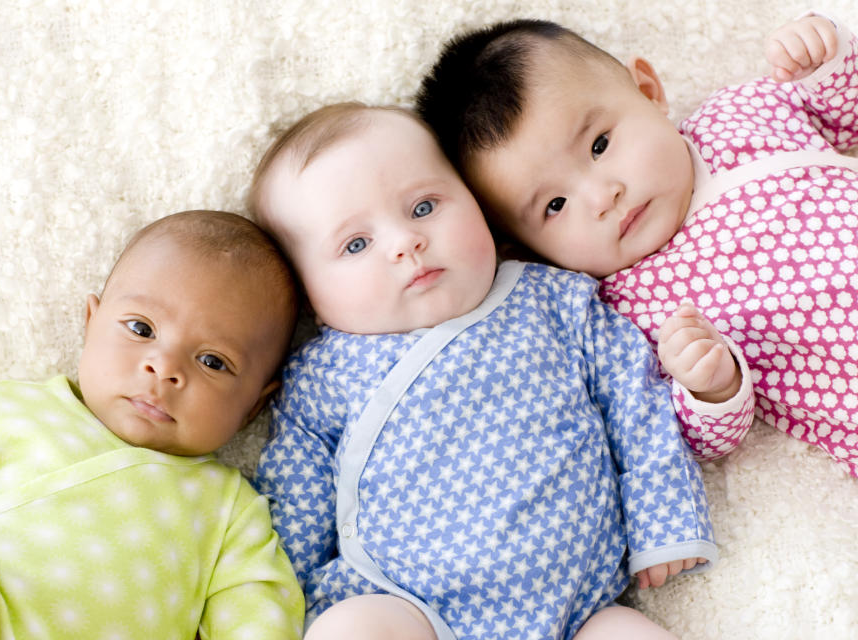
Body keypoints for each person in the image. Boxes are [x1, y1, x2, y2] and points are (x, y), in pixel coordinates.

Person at [247, 102, 724, 640]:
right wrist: (275, 594)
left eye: (424, 206)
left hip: (582, 606)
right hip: (407, 604)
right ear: (310, 294)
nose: (406, 243)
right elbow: (294, 488)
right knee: (348, 629)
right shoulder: (323, 374)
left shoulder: (553, 299)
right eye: (356, 244)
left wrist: (664, 519)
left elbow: (636, 400)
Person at [416, 13, 858, 475]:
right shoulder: (627, 313)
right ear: (526, 252)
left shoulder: (741, 112)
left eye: (600, 145)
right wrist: (710, 387)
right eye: (556, 204)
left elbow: (843, 119)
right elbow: (686, 437)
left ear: (648, 91)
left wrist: (823, 57)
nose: (602, 197)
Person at [0, 210, 304, 639]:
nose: (163, 367)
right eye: (141, 328)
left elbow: (262, 611)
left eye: (212, 361)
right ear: (91, 324)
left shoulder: (230, 511)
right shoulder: (5, 407)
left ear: (254, 406)